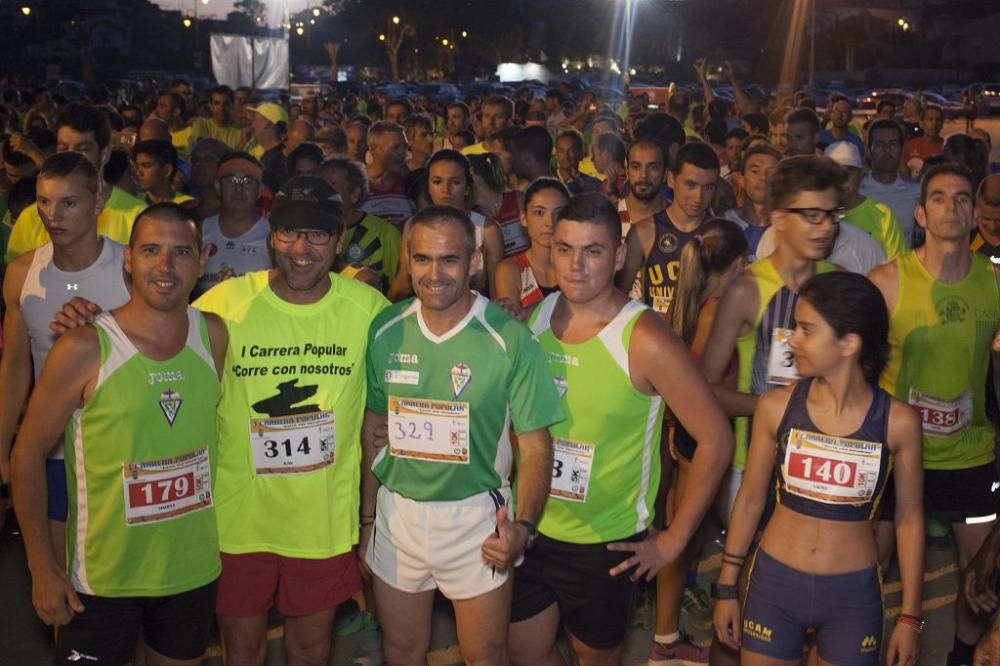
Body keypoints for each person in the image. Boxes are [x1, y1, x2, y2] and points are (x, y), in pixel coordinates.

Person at [507, 191, 734, 666]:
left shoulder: (645, 337)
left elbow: (716, 438)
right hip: (531, 526)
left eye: (592, 252)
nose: (576, 265)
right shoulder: (538, 318)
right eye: (565, 249)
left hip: (602, 545)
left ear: (616, 257)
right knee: (525, 653)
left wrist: (673, 540)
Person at [11, 202, 228, 664]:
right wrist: (41, 567)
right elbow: (27, 455)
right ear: (128, 258)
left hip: (190, 571)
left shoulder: (213, 335)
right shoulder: (84, 347)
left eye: (181, 252)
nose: (165, 266)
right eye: (151, 250)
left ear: (202, 260)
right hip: (103, 580)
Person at [194, 176, 389, 665]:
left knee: (310, 651)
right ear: (270, 235)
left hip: (321, 523)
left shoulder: (367, 310)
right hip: (238, 520)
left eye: (317, 235)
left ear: (339, 240)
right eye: (288, 233)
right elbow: (151, 344)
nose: (301, 249)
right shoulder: (222, 305)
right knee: (243, 651)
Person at [364, 204, 563, 666]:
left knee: (485, 655)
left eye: (449, 260)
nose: (435, 274)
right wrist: (367, 517)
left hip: (475, 521)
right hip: (399, 519)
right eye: (422, 260)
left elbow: (536, 447)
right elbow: (374, 429)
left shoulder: (509, 339)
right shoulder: (384, 330)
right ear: (407, 260)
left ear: (474, 260)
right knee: (401, 651)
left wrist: (523, 527)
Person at [713, 271, 924, 665]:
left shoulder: (899, 423)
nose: (793, 339)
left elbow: (910, 520)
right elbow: (751, 497)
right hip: (774, 587)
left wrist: (912, 618)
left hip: (852, 599)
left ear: (849, 342)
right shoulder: (775, 407)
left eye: (806, 329)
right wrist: (726, 586)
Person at [870, 163, 1000, 666]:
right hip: (897, 453)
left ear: (974, 215)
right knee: (867, 568)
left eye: (963, 198)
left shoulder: (993, 282)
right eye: (940, 198)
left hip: (971, 455)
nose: (953, 206)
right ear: (921, 214)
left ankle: (962, 657)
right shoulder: (886, 281)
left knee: (981, 576)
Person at [0, 153, 132, 574]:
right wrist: (4, 447)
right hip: (52, 451)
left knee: (123, 582)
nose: (52, 215)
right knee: (59, 577)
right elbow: (16, 363)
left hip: (121, 451)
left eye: (68, 203)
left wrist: (100, 333)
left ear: (98, 203)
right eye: (43, 202)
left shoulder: (132, 268)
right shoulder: (23, 273)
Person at [700, 155, 841, 524]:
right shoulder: (747, 290)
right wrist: (773, 406)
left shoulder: (838, 281)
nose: (826, 226)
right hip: (754, 468)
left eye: (832, 214)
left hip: (821, 462)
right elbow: (707, 390)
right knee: (749, 575)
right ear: (779, 219)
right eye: (812, 215)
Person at [650, 218, 749, 663]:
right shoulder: (717, 309)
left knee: (686, 534)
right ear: (741, 263)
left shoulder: (692, 303)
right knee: (682, 538)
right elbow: (706, 390)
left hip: (686, 433)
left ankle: (667, 638)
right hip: (701, 435)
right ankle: (665, 642)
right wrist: (765, 403)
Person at [5, 104, 146, 262]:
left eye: (83, 149)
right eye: (64, 149)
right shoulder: (31, 219)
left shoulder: (138, 219)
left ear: (105, 154)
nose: (71, 157)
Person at [619, 141, 720, 315]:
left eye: (708, 187)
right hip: (654, 338)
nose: (699, 196)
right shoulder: (644, 232)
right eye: (690, 185)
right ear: (671, 179)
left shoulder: (719, 236)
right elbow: (618, 298)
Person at [390, 150, 504, 301]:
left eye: (455, 182)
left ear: (468, 188)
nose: (446, 190)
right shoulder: (415, 226)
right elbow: (403, 284)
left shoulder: (487, 230)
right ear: (428, 187)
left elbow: (498, 294)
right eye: (437, 181)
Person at [319, 155, 401, 288]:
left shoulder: (385, 234)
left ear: (355, 194)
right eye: (320, 187)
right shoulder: (309, 232)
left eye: (331, 188)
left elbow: (398, 289)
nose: (323, 194)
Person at [196, 152, 270, 296]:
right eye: (230, 181)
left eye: (247, 182)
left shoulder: (272, 235)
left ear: (259, 190)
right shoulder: (200, 230)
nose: (239, 189)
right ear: (218, 186)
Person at [494, 178, 568, 316]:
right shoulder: (511, 269)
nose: (549, 222)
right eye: (539, 212)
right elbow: (513, 326)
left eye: (558, 213)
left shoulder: (577, 264)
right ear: (523, 218)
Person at [825, 141, 907, 260]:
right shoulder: (818, 216)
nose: (840, 179)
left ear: (860, 174)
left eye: (847, 173)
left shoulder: (882, 214)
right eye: (833, 173)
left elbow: (897, 266)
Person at [859, 119, 920, 247]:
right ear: (868, 150)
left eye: (893, 144)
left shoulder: (916, 191)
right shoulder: (856, 191)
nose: (887, 150)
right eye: (880, 144)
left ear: (902, 149)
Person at [723, 144, 780, 261]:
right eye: (755, 171)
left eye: (771, 172)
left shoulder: (787, 228)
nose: (763, 177)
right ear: (742, 180)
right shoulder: (725, 223)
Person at [360, 121, 413, 230]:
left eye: (405, 147)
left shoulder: (410, 185)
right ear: (374, 150)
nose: (404, 153)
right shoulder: (355, 183)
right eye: (395, 148)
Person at [132, 139, 194, 206]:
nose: (139, 173)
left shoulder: (188, 205)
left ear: (167, 170)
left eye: (146, 166)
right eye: (137, 167)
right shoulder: (133, 204)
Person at [190, 85, 244, 151]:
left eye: (226, 103)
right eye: (217, 103)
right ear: (210, 106)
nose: (221, 108)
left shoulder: (241, 130)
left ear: (232, 105)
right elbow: (192, 154)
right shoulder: (202, 125)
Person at [902, 105, 945, 178]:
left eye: (938, 120)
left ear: (942, 124)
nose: (934, 124)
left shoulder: (947, 147)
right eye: (929, 119)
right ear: (921, 123)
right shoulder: (909, 145)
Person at [554, 128, 601, 195]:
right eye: (561, 150)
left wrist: (581, 186)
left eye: (571, 150)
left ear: (580, 154)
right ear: (556, 154)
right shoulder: (545, 181)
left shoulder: (594, 185)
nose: (566, 156)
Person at [189, 138, 227, 220]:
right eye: (195, 159)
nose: (199, 164)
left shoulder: (237, 212)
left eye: (209, 159)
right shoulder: (186, 211)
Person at [973, 173, 1000, 263]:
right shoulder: (965, 239)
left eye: (999, 220)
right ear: (977, 211)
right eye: (986, 219)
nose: (993, 226)